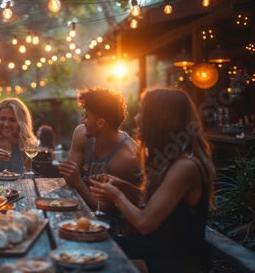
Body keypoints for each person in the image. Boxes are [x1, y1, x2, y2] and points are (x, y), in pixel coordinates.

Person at [90, 88, 215, 273]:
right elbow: (164, 204)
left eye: (142, 112)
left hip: (178, 262)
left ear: (159, 120)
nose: (136, 118)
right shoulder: (176, 159)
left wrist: (117, 196)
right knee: (90, 241)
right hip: (158, 247)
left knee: (96, 260)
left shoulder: (186, 166)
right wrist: (124, 187)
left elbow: (144, 223)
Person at [58, 86, 141, 217]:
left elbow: (103, 208)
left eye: (86, 116)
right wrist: (74, 178)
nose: (82, 120)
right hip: (83, 210)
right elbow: (70, 180)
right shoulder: (81, 134)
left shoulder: (127, 157)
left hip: (114, 224)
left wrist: (78, 182)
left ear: (101, 123)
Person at [0, 98, 35, 174]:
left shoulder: (24, 140)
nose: (6, 124)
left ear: (20, 122)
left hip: (18, 185)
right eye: (2, 119)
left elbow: (28, 171)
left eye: (12, 120)